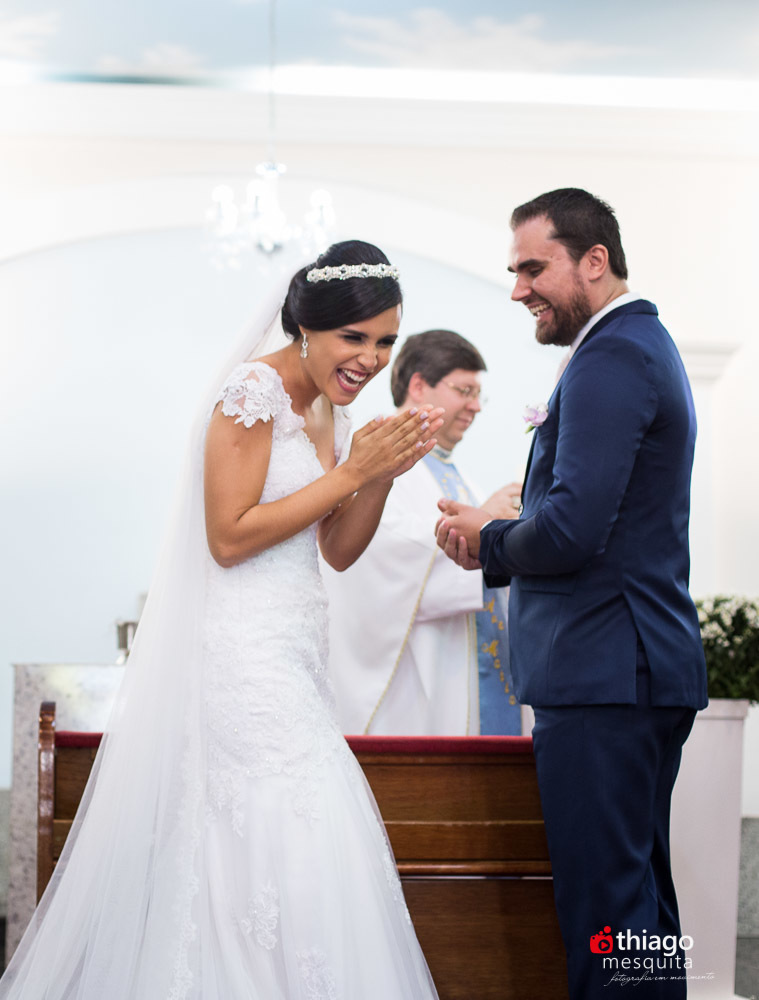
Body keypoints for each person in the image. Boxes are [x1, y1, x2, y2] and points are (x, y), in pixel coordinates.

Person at [0, 241, 442, 999]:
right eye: (355, 339)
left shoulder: (327, 409)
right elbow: (229, 536)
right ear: (307, 327)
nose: (369, 360)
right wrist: (352, 473)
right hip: (240, 656)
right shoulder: (252, 391)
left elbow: (334, 550)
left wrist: (378, 477)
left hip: (296, 648)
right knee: (275, 826)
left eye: (385, 342)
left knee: (302, 828)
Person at [435, 189, 707, 998]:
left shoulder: (613, 356)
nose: (517, 288)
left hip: (603, 673)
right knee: (636, 914)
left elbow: (570, 533)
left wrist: (485, 542)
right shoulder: (632, 346)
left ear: (594, 260)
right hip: (626, 669)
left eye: (532, 267)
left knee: (608, 916)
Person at [323, 329, 523, 735]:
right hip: (416, 686)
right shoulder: (373, 454)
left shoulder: (461, 474)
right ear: (418, 385)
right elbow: (374, 556)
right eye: (464, 390)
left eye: (479, 394)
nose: (475, 407)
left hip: (471, 668)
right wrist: (486, 523)